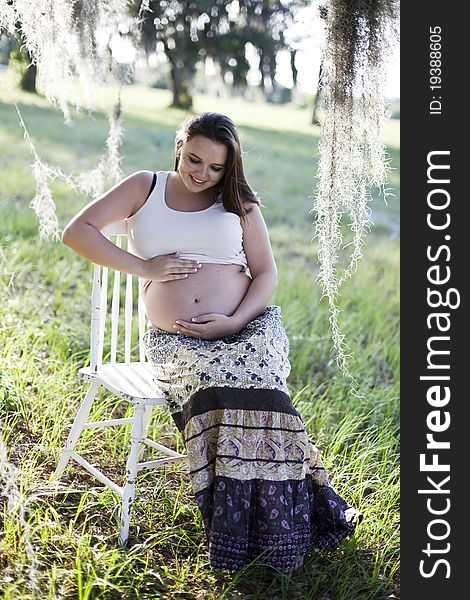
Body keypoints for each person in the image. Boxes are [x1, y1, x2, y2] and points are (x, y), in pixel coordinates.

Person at [62, 111, 362, 573]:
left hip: (245, 327)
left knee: (260, 392)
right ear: (180, 146)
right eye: (195, 159)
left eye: (216, 167)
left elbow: (266, 274)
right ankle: (238, 529)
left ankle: (286, 523)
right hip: (176, 341)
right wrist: (145, 268)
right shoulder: (146, 185)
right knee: (214, 385)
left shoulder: (238, 201)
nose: (202, 173)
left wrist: (233, 320)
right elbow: (76, 232)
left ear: (230, 167)